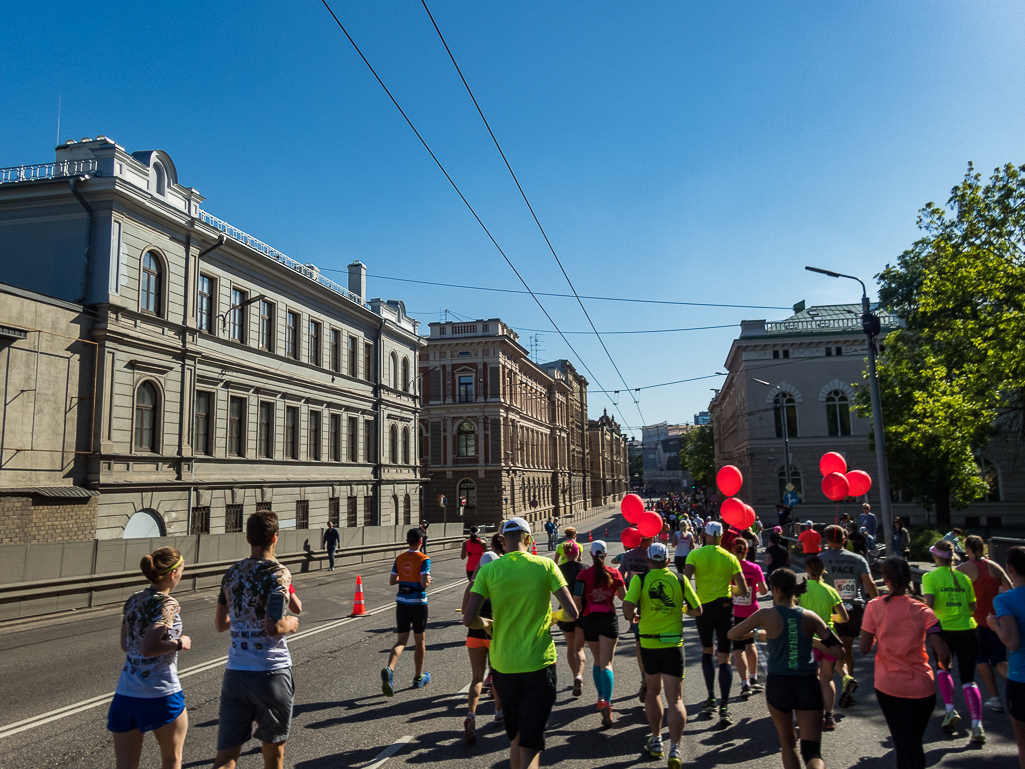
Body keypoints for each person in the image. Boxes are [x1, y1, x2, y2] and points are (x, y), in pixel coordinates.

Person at [464, 517, 578, 769]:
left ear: (503, 542)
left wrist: (487, 625)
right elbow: (571, 613)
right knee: (530, 744)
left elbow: (469, 617)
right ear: (529, 539)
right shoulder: (546, 565)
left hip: (503, 667)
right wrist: (553, 617)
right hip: (539, 664)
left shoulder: (488, 570)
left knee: (516, 738)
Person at [728, 569, 843, 769]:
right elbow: (837, 649)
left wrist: (759, 634)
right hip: (807, 684)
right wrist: (811, 639)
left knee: (788, 744)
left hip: (779, 685)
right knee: (812, 751)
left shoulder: (765, 615)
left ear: (776, 589)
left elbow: (732, 634)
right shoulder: (810, 616)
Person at [213, 511, 300, 769]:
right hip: (270, 672)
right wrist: (291, 624)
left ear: (248, 538)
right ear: (275, 537)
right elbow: (274, 627)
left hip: (236, 673)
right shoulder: (278, 574)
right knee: (273, 752)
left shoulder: (231, 573)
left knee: (226, 756)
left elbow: (221, 624)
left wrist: (244, 619)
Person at [861, 557, 952, 769]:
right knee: (915, 744)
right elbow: (943, 653)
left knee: (902, 745)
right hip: (922, 687)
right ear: (908, 579)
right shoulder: (924, 611)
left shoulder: (875, 607)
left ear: (886, 579)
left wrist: (879, 633)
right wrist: (944, 667)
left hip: (889, 686)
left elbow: (864, 648)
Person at [107, 547, 190, 769]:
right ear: (172, 574)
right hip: (161, 693)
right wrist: (180, 643)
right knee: (172, 759)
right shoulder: (167, 603)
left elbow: (126, 644)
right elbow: (149, 647)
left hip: (126, 693)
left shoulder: (134, 600)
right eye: (181, 570)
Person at [623, 542, 701, 768]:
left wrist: (635, 614)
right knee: (675, 699)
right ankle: (675, 749)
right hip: (673, 644)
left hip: (649, 644)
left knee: (652, 693)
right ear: (667, 561)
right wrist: (681, 609)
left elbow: (627, 609)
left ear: (648, 561)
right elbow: (697, 610)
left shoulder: (640, 579)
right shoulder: (679, 579)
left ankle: (656, 741)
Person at [683, 521, 748, 725]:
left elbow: (685, 580)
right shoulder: (730, 557)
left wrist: (691, 600)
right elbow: (743, 589)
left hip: (703, 608)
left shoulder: (695, 555)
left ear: (705, 535)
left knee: (707, 652)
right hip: (724, 608)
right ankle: (724, 706)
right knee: (724, 658)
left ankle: (710, 697)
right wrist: (730, 591)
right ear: (720, 536)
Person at [922, 538, 984, 743]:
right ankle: (977, 725)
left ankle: (950, 710)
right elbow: (973, 608)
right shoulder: (963, 578)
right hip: (968, 630)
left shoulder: (930, 577)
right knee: (968, 679)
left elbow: (929, 605)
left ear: (935, 556)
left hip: (944, 632)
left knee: (943, 668)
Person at [818, 525, 878, 709]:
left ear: (826, 540)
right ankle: (847, 682)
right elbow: (869, 584)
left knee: (830, 651)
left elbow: (814, 584)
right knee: (847, 649)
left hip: (831, 610)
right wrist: (879, 606)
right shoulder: (858, 559)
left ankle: (839, 683)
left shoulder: (820, 559)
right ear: (845, 539)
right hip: (854, 609)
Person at [574, 540, 627, 727]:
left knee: (597, 661)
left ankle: (600, 698)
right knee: (608, 663)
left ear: (591, 554)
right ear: (605, 555)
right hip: (608, 618)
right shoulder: (614, 572)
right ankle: (608, 702)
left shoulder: (583, 574)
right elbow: (623, 596)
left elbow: (577, 599)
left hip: (590, 619)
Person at [959, 534, 1012, 713]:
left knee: (981, 659)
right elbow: (1010, 589)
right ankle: (1019, 681)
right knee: (999, 661)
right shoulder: (994, 566)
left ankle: (995, 698)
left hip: (976, 621)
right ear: (983, 548)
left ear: (967, 549)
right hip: (997, 619)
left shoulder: (962, 568)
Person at [382, 528, 433, 695]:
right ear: (420, 541)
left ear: (407, 542)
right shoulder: (424, 559)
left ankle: (390, 669)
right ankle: (418, 677)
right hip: (418, 602)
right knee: (420, 640)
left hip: (402, 602)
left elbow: (392, 581)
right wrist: (428, 581)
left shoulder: (400, 558)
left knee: (401, 641)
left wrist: (405, 577)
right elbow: (424, 582)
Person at [461, 546, 504, 744]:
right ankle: (498, 713)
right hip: (494, 633)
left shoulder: (474, 584)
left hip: (474, 634)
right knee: (497, 675)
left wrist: (474, 578)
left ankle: (471, 714)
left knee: (477, 678)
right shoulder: (501, 583)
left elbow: (464, 610)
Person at [800, 556, 848, 731]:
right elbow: (844, 617)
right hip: (829, 638)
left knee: (810, 679)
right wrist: (828, 619)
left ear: (807, 569)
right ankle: (829, 716)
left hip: (808, 639)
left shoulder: (802, 589)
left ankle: (811, 714)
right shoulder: (830, 590)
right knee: (827, 679)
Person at [988, 546, 1025, 769]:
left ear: (1009, 569)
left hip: (1021, 679)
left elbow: (1012, 642)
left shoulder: (1005, 600)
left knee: (1023, 743)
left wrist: (995, 626)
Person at [615, 532, 656, 702]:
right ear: (651, 537)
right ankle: (653, 676)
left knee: (639, 642)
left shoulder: (628, 555)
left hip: (635, 604)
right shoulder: (654, 555)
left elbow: (619, 575)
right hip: (652, 604)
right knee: (654, 640)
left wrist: (626, 596)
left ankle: (644, 675)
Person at [731, 538, 768, 698]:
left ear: (733, 550)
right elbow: (765, 591)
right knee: (751, 643)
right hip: (752, 611)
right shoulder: (755, 568)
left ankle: (745, 682)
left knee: (738, 647)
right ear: (747, 550)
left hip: (736, 611)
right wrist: (754, 590)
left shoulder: (730, 569)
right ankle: (753, 677)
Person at [556, 539, 587, 698]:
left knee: (570, 647)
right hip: (582, 612)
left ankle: (575, 673)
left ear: (564, 554)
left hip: (564, 612)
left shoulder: (558, 569)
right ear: (577, 553)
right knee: (579, 648)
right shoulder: (585, 568)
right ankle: (579, 676)